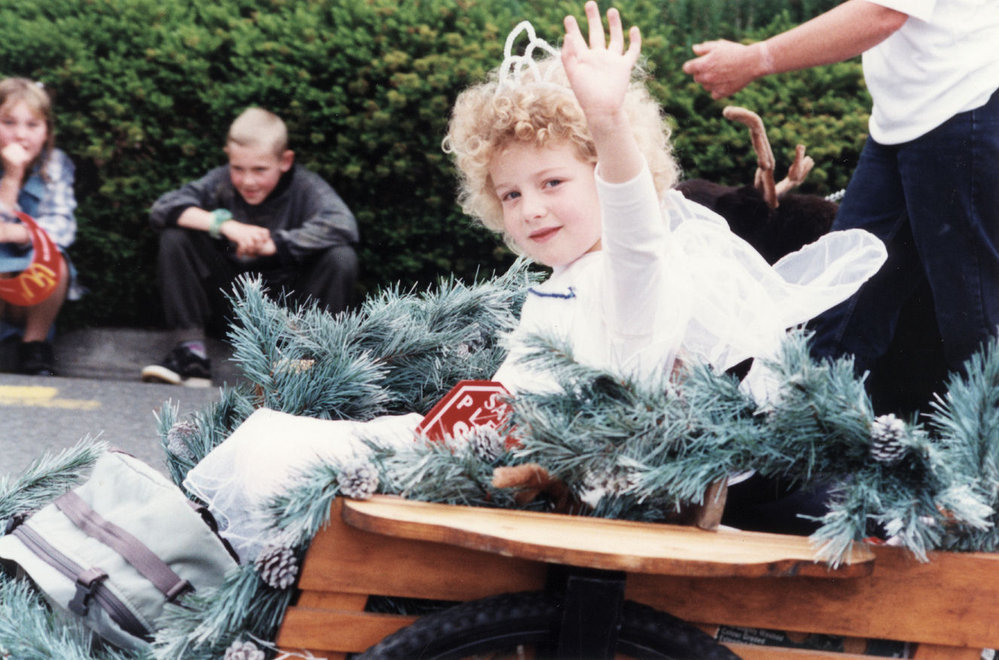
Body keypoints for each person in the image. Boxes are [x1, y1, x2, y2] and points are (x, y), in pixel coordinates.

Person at [183, 2, 887, 561]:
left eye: (552, 181)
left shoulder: (632, 274)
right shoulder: (566, 277)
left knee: (281, 453)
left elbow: (636, 229)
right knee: (276, 442)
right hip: (481, 452)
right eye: (511, 195)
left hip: (541, 483)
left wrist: (606, 119)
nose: (532, 208)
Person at [682, 1, 999, 400]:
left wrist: (755, 58)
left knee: (977, 326)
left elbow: (882, 13)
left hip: (963, 111)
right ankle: (807, 448)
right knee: (837, 314)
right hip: (899, 125)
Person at [142, 107, 360, 386]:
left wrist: (276, 244)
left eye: (260, 170)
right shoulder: (219, 181)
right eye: (238, 168)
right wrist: (227, 225)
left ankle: (307, 360)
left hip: (287, 312)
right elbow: (162, 209)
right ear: (228, 158)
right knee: (176, 235)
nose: (248, 181)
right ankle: (190, 354)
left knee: (340, 257)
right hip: (232, 305)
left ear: (285, 160)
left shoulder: (307, 187)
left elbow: (343, 224)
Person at [0, 78, 78, 376]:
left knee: (56, 262)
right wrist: (11, 176)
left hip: (29, 287)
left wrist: (13, 233)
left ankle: (35, 345)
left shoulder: (55, 164)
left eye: (32, 125)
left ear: (46, 132)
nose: (20, 134)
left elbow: (61, 227)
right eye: (8, 122)